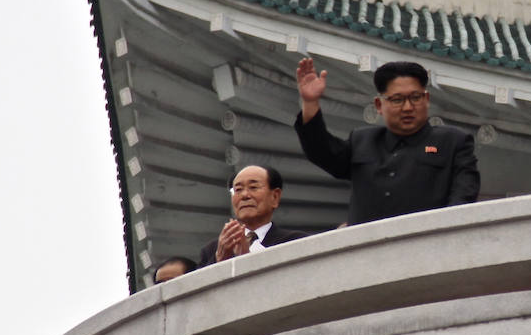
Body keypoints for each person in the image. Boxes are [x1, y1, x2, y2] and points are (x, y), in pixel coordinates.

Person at [294, 58, 479, 225]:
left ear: (427, 99)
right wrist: (310, 103)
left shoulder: (453, 142)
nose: (408, 107)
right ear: (379, 105)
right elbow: (322, 152)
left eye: (415, 98)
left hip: (426, 245)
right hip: (367, 247)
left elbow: (463, 198)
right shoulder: (362, 141)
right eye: (397, 100)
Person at [198, 165, 307, 268]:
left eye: (253, 187)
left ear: (275, 197)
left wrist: (247, 260)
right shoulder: (211, 251)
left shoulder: (295, 242)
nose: (245, 195)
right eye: (238, 189)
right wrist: (219, 260)